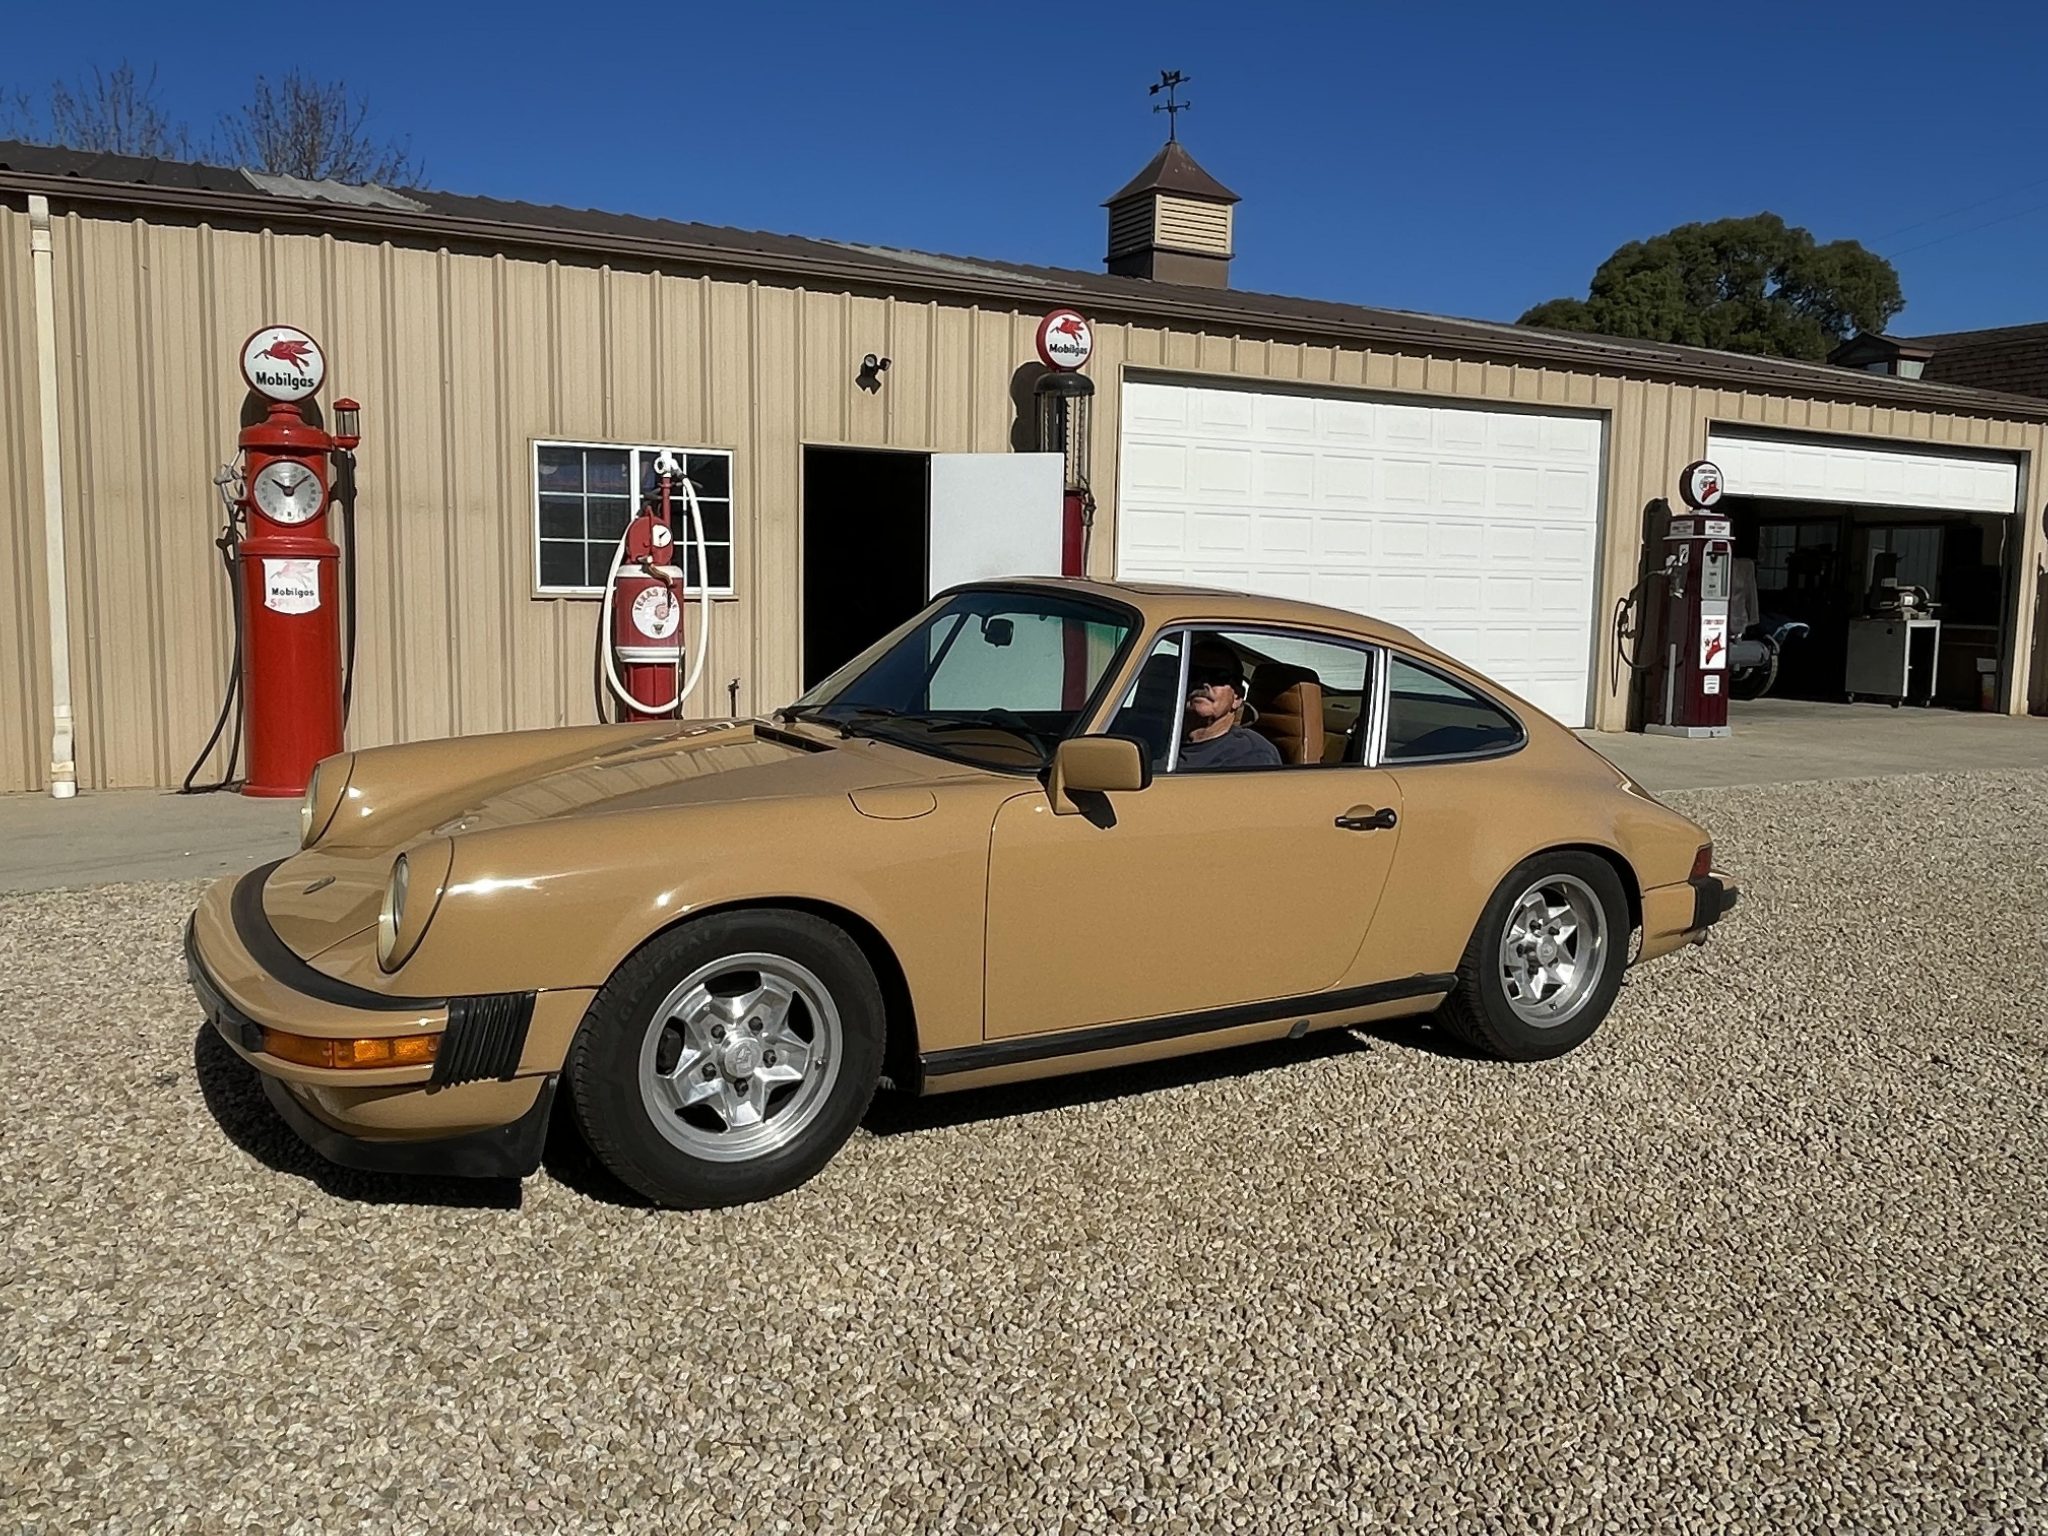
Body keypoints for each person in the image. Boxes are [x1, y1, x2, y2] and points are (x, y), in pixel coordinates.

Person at [1177, 638, 1280, 771]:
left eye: (1218, 676)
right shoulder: (1155, 741)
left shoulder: (1252, 755)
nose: (1203, 682)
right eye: (1193, 673)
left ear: (1237, 697)